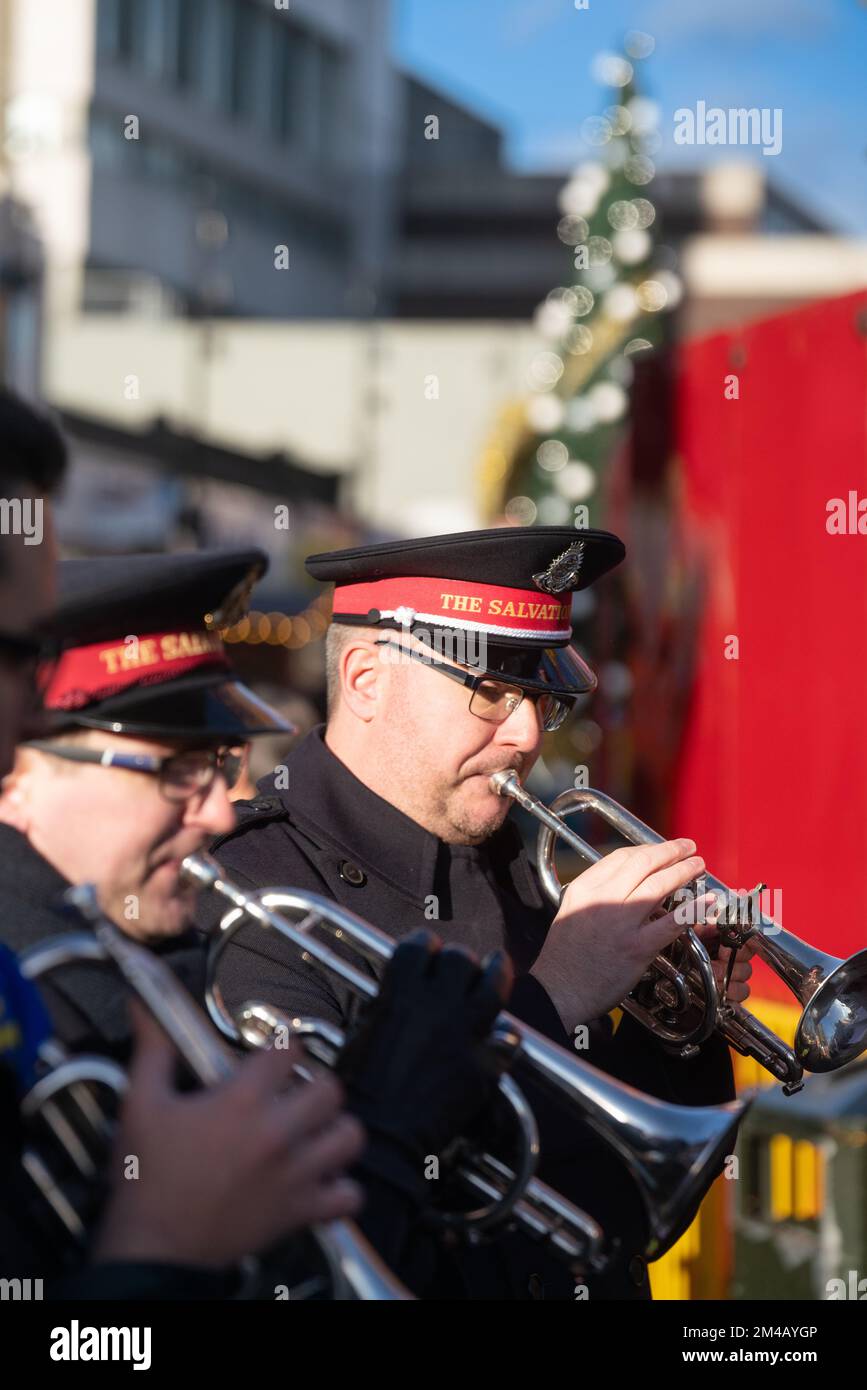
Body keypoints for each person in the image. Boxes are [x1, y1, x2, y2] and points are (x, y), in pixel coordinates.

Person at [197, 525, 754, 1299]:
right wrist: (554, 993)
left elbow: (618, 1221)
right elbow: (326, 1245)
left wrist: (681, 1028)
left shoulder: (520, 868)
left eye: (540, 696)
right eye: (488, 691)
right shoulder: (252, 889)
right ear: (364, 678)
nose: (524, 734)